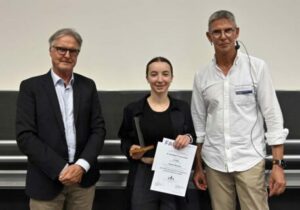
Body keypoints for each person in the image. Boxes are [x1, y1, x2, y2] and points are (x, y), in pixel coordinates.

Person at [191, 10, 289, 210]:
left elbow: (273, 117)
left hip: (249, 160)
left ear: (237, 32)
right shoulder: (202, 75)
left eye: (228, 30)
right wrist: (198, 167)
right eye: (216, 32)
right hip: (215, 162)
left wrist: (278, 165)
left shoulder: (257, 68)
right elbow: (199, 124)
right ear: (209, 37)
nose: (223, 36)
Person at [16, 28, 106, 210]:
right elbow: (25, 136)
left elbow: (98, 130)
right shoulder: (31, 87)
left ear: (78, 54)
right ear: (50, 51)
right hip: (45, 181)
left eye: (73, 51)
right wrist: (61, 168)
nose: (67, 55)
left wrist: (81, 166)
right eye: (61, 49)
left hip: (83, 182)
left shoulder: (88, 86)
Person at [118, 56, 196, 210]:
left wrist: (187, 138)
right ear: (147, 77)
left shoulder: (182, 108)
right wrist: (130, 150)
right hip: (143, 172)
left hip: (172, 172)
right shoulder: (133, 109)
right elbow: (124, 139)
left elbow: (192, 135)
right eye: (154, 74)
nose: (160, 79)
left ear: (172, 78)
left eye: (165, 74)